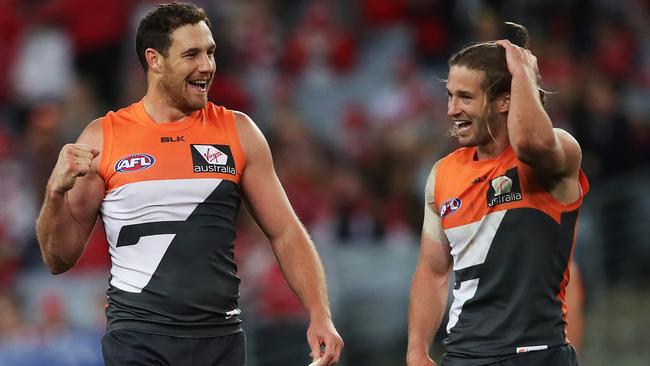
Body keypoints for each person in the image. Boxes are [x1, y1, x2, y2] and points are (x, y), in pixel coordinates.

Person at [35, 2, 343, 365]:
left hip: (219, 339)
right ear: (155, 60)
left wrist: (319, 313)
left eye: (210, 52)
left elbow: (287, 232)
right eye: (192, 54)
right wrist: (55, 194)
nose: (207, 66)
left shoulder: (238, 132)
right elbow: (58, 258)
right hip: (138, 338)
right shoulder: (103, 138)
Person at [406, 22, 589, 366]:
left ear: (505, 100)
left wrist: (522, 74)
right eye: (450, 95)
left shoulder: (555, 153)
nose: (451, 110)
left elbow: (531, 142)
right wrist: (416, 349)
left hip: (536, 354)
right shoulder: (442, 174)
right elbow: (433, 271)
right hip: (463, 356)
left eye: (465, 97)